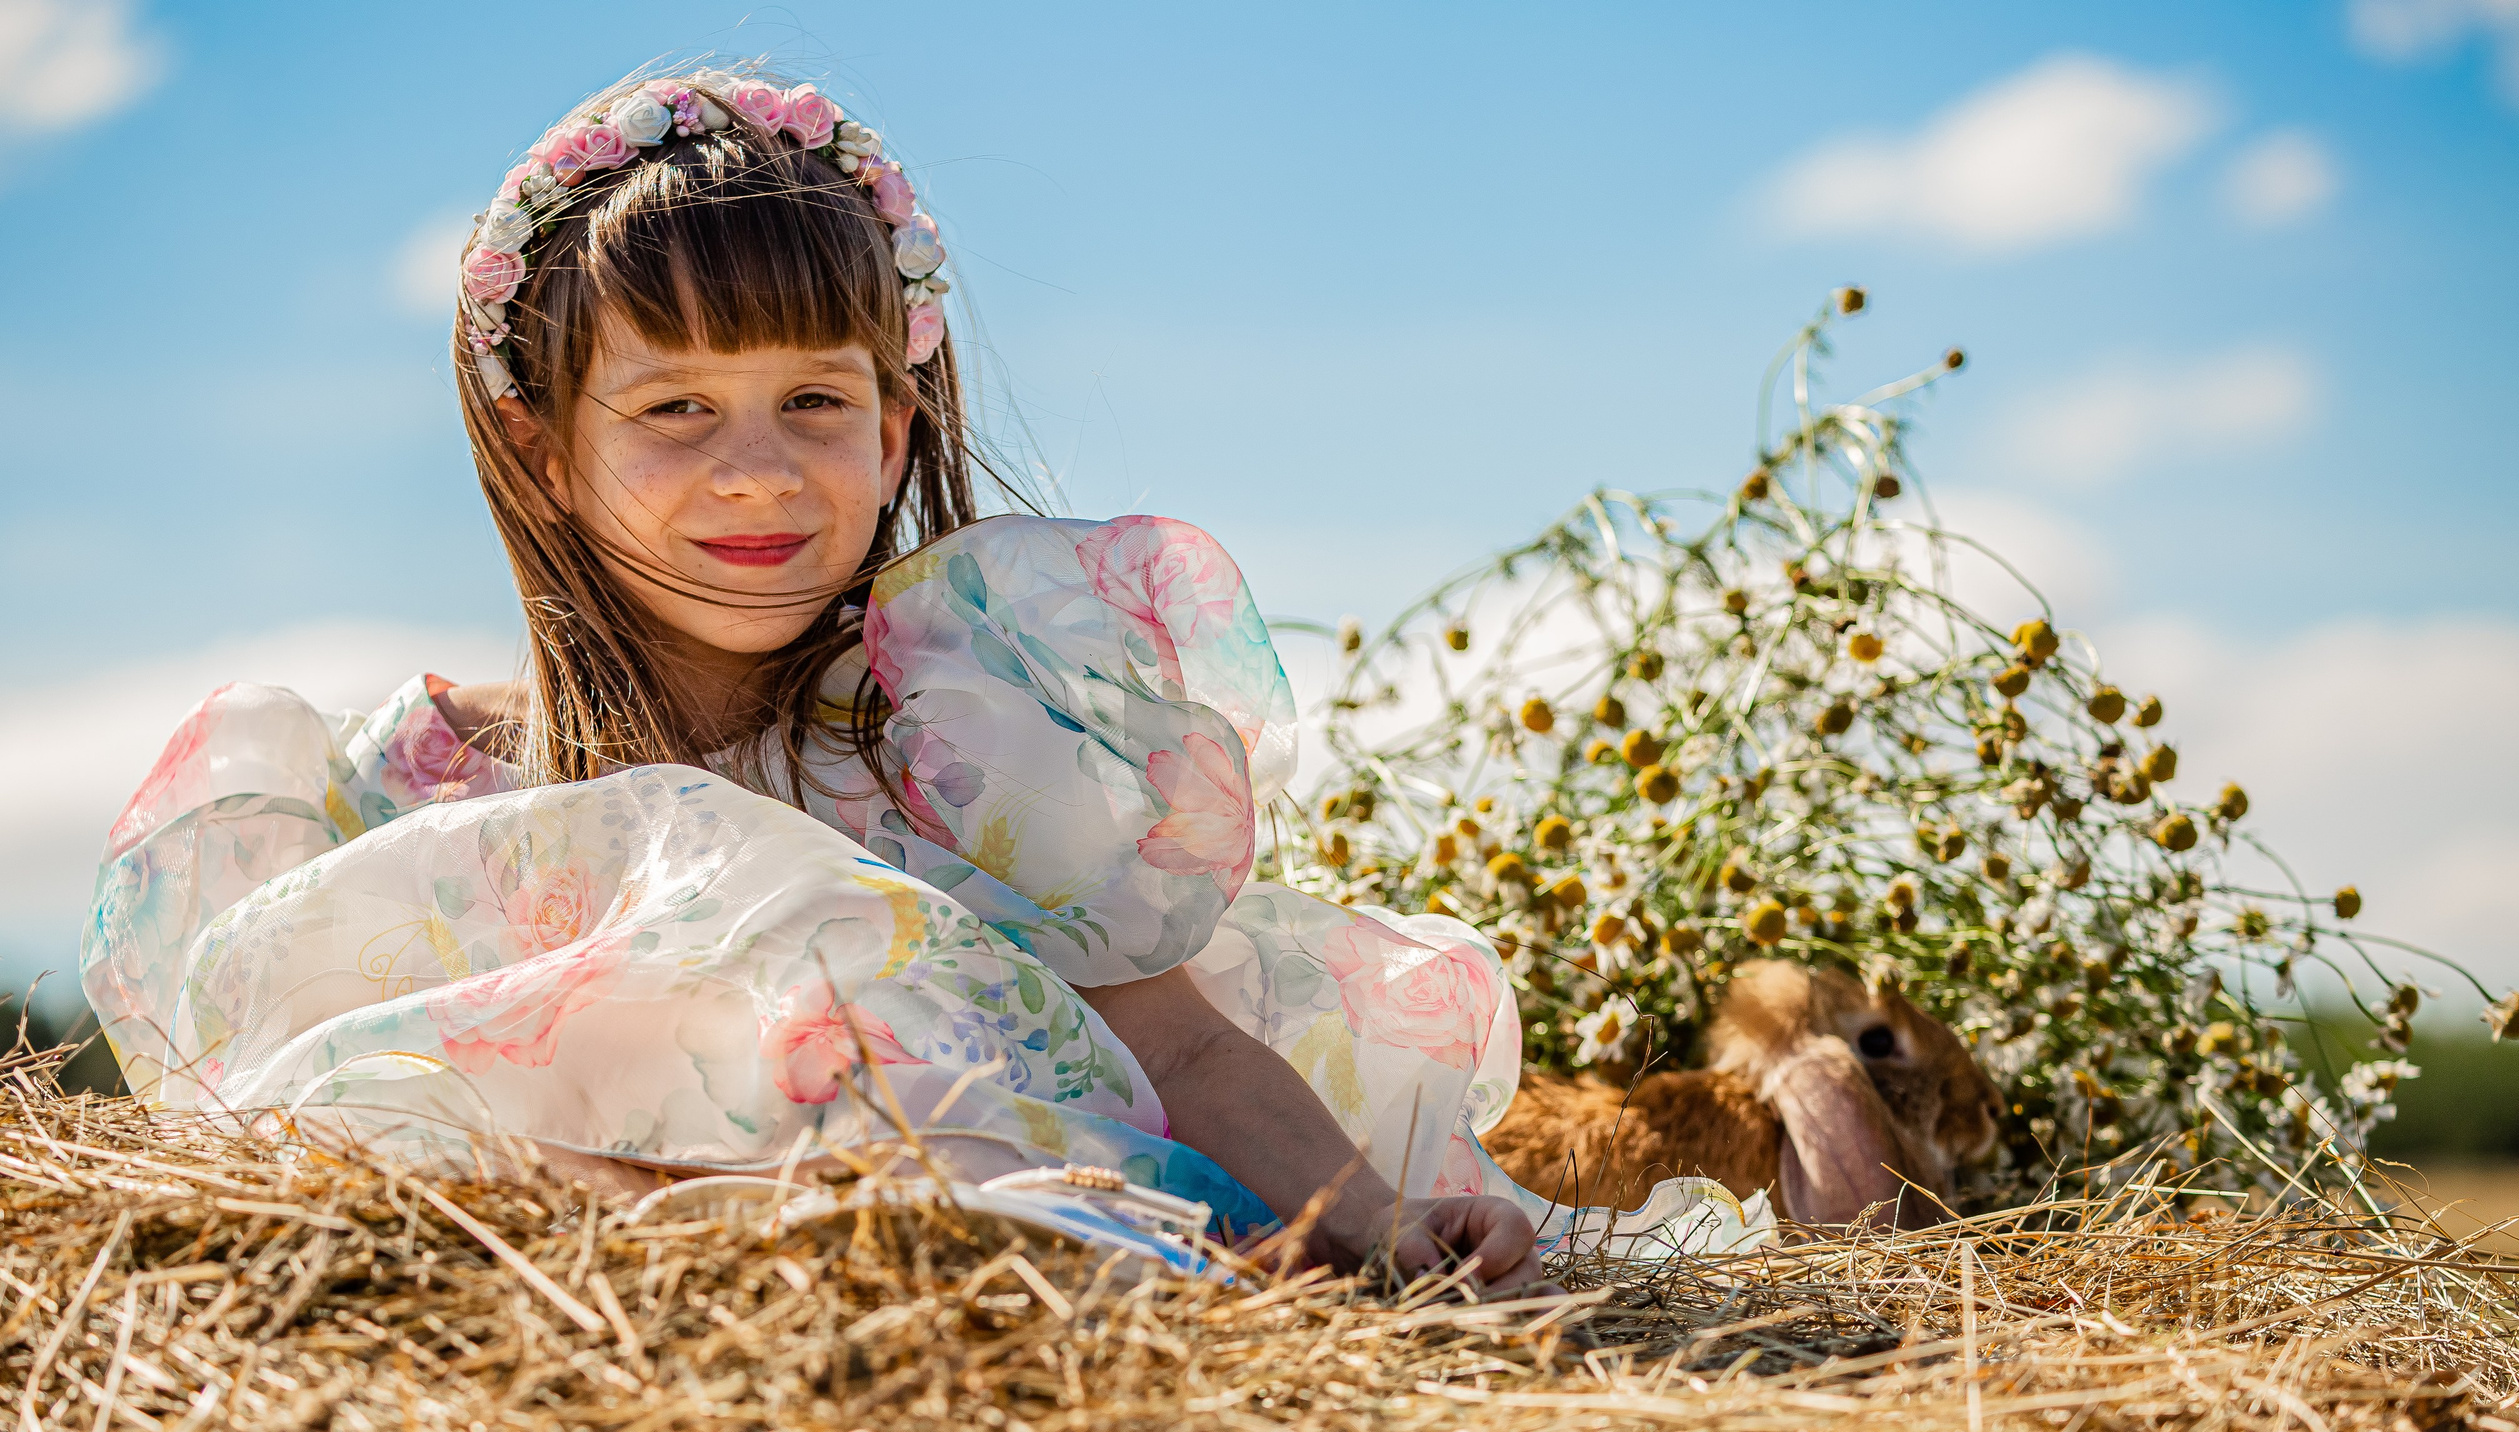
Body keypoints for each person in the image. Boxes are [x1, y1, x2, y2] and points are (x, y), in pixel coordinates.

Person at [82, 66, 1746, 1297]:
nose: (760, 473)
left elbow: (1186, 1047)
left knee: (913, 1046)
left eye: (816, 402)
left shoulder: (955, 732)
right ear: (543, 449)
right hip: (606, 1271)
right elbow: (323, 1127)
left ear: (896, 425)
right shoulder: (429, 802)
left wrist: (1367, 1220)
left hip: (987, 1226)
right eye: (674, 413)